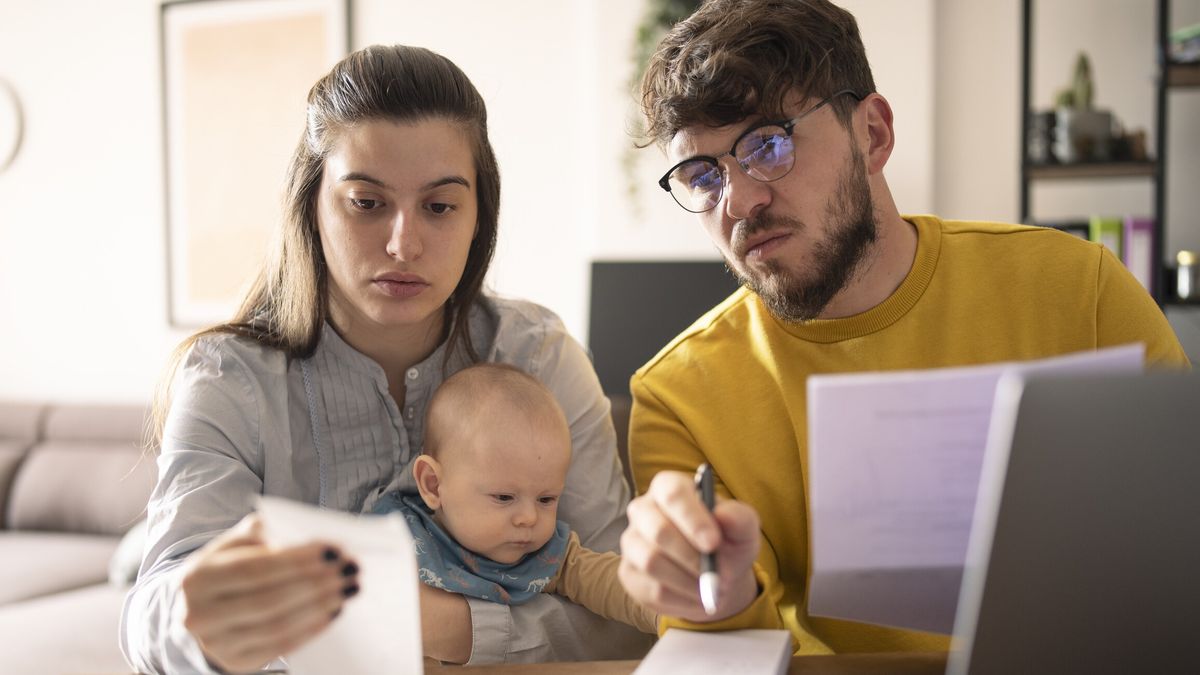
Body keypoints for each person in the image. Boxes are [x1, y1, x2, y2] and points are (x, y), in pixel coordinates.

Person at [616, 0, 1190, 657]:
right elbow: (724, 649)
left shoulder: (1076, 289)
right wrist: (713, 590)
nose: (739, 201)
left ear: (874, 134)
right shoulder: (679, 397)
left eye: (769, 145)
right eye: (702, 175)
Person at [121, 44, 649, 674]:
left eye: (440, 206)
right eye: (367, 203)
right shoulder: (226, 377)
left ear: (480, 217)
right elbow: (149, 617)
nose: (404, 244)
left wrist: (443, 628)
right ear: (311, 207)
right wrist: (196, 621)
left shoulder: (540, 354)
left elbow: (631, 614)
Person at [370, 363, 658, 634]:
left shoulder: (549, 557)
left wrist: (668, 609)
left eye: (546, 499)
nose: (529, 518)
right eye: (504, 497)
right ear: (433, 485)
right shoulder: (392, 537)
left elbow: (612, 583)